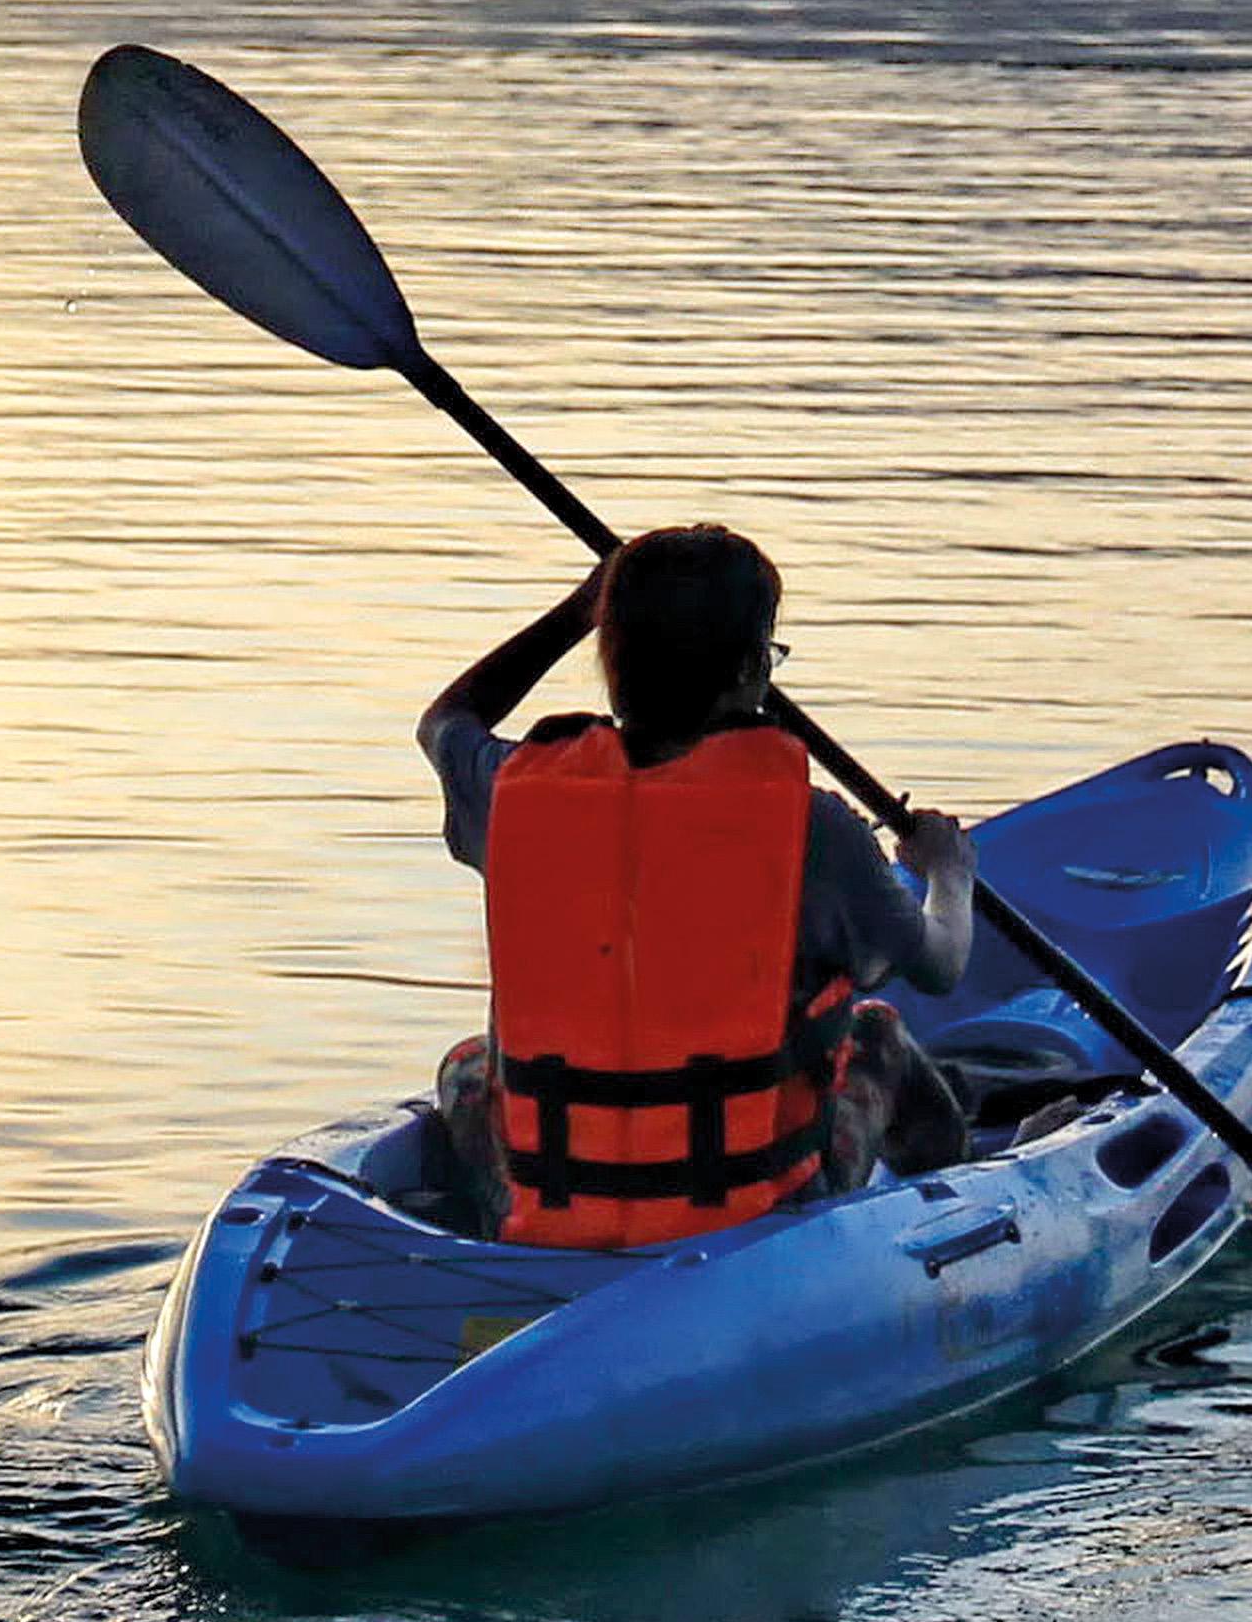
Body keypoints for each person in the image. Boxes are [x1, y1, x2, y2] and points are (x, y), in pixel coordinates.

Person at [418, 522, 976, 1243]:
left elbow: (444, 722)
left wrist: (578, 610)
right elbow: (940, 964)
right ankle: (950, 1218)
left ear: (609, 657)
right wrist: (948, 870)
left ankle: (492, 1242)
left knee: (469, 1065)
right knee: (879, 1033)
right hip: (753, 1210)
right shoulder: (814, 829)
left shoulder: (514, 792)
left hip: (550, 1199)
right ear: (749, 670)